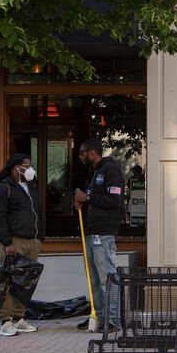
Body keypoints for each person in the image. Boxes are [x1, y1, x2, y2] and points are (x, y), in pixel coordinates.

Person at [0, 153, 43, 337]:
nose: (30, 170)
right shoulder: (3, 188)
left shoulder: (31, 187)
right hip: (13, 242)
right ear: (15, 168)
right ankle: (5, 321)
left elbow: (37, 212)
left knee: (26, 283)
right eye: (26, 166)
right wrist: (7, 242)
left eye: (30, 166)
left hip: (31, 240)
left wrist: (39, 238)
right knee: (9, 281)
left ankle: (19, 318)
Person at [74, 139, 126, 331]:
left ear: (92, 152)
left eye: (82, 153)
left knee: (107, 277)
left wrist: (87, 197)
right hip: (91, 232)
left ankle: (113, 319)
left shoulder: (111, 170)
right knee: (94, 279)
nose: (80, 156)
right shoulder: (94, 171)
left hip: (104, 233)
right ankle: (98, 317)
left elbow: (114, 199)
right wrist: (82, 201)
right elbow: (92, 198)